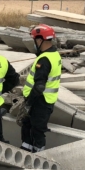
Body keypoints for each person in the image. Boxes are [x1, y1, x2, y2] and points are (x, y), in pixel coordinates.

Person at [21, 24, 61, 153]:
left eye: (34, 40)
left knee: (37, 129)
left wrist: (28, 103)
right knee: (28, 126)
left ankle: (38, 155)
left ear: (39, 40)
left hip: (39, 101)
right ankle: (26, 150)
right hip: (46, 100)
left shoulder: (44, 60)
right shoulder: (54, 55)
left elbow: (39, 87)